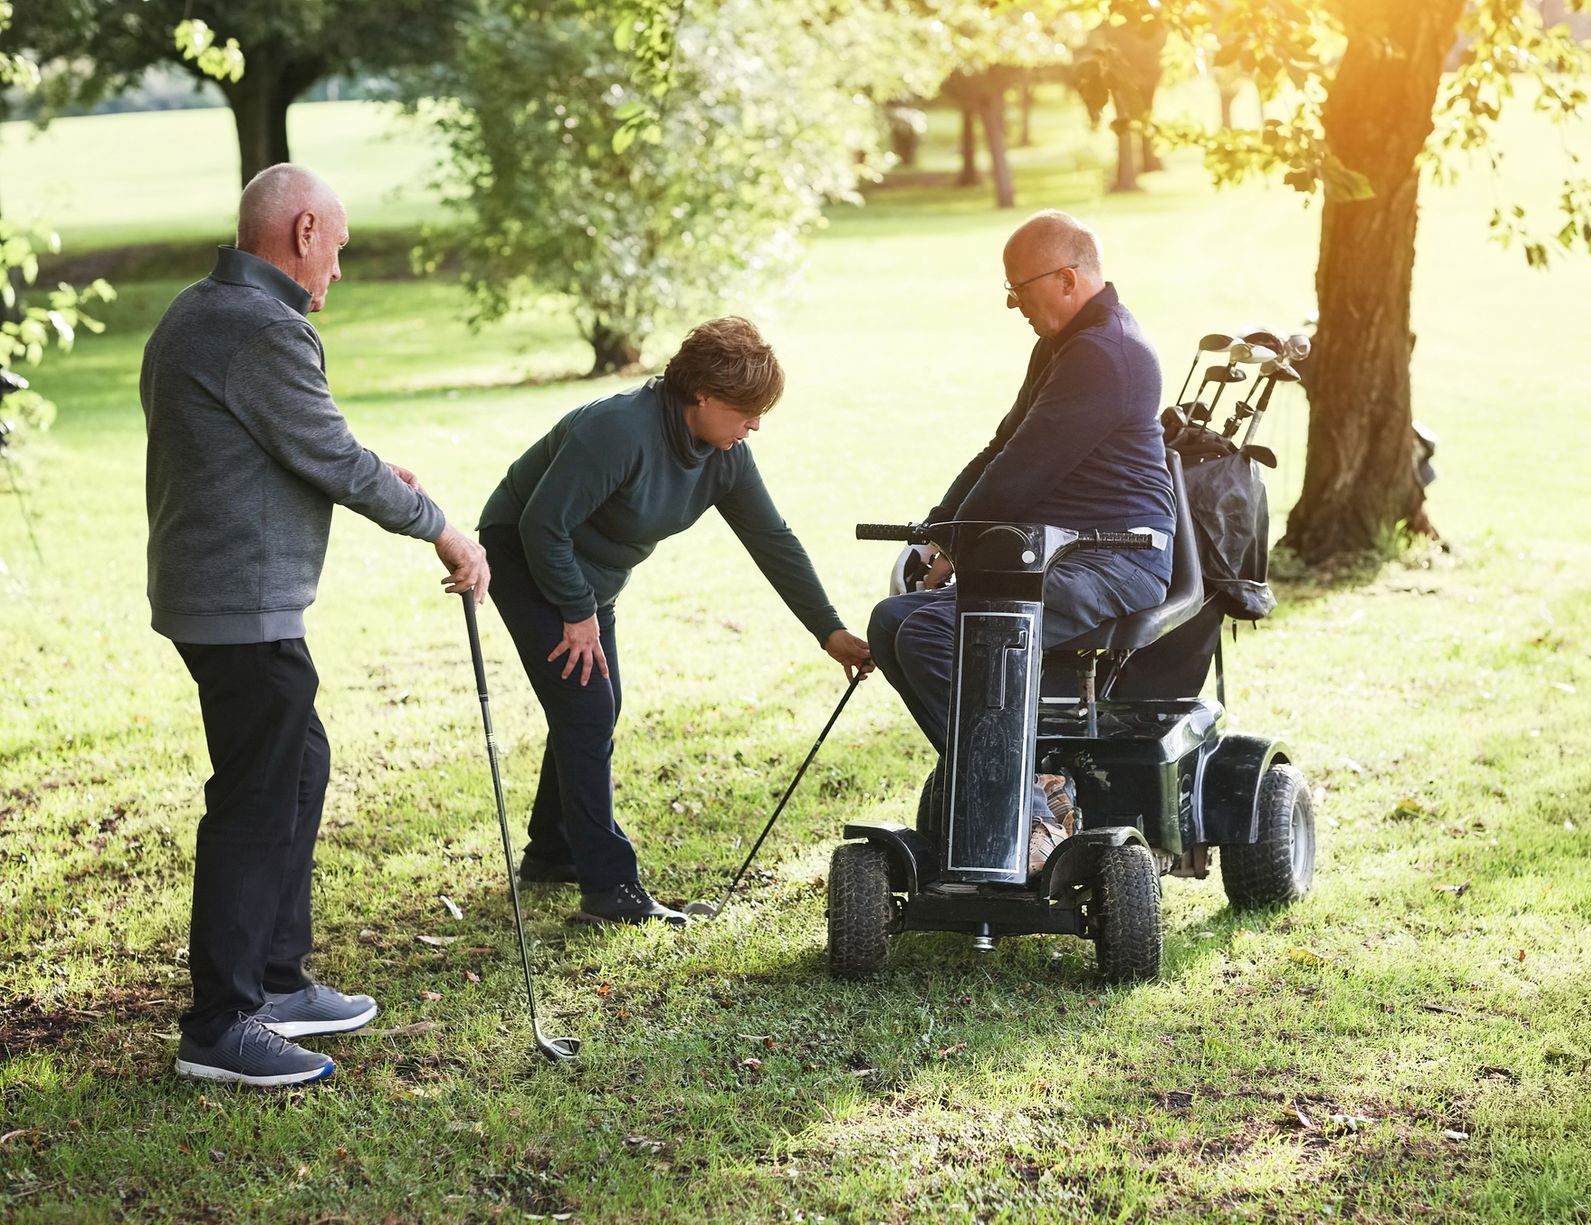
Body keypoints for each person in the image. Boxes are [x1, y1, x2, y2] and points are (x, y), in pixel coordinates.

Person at [145, 164, 491, 1088]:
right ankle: (221, 1022)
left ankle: (275, 979)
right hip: (238, 606)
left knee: (298, 764)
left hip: (221, 598)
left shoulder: (199, 309)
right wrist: (445, 529)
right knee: (258, 796)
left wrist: (377, 471)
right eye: (334, 249)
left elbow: (295, 443)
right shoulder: (261, 326)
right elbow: (327, 452)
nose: (336, 270)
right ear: (302, 233)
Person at [476, 317, 869, 926]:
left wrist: (830, 629)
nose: (755, 425)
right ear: (703, 396)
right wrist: (576, 612)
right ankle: (610, 890)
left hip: (589, 576)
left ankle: (554, 852)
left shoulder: (724, 453)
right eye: (746, 410)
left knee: (598, 706)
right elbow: (540, 526)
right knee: (585, 706)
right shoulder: (617, 431)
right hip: (526, 555)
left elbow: (772, 539)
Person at [867, 210, 1175, 871]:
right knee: (893, 622)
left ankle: (1032, 810)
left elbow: (1018, 476)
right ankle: (1033, 789)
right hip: (1052, 551)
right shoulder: (1064, 347)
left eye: (1019, 287)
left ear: (1066, 279)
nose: (1012, 303)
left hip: (1113, 558)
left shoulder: (1106, 355)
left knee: (925, 633)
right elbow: (1001, 450)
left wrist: (954, 548)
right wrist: (933, 534)